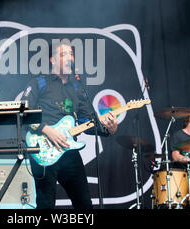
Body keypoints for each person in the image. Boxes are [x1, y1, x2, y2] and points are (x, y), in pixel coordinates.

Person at [22, 40, 118, 209]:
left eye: (71, 54)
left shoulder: (76, 87)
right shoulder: (39, 82)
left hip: (69, 151)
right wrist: (47, 130)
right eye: (63, 54)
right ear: (52, 60)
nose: (69, 58)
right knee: (45, 205)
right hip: (43, 149)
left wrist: (109, 129)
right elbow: (24, 111)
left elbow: (88, 122)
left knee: (84, 205)